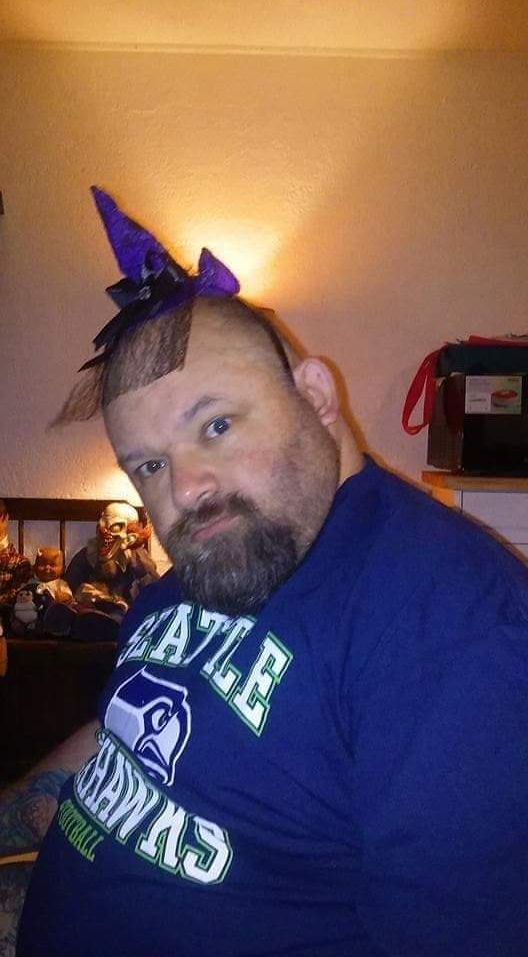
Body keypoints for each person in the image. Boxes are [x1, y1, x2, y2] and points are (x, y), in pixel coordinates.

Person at [3, 189, 527, 956]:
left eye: (217, 425)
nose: (187, 489)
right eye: (150, 465)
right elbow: (118, 736)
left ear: (315, 396)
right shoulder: (220, 557)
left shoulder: (449, 625)